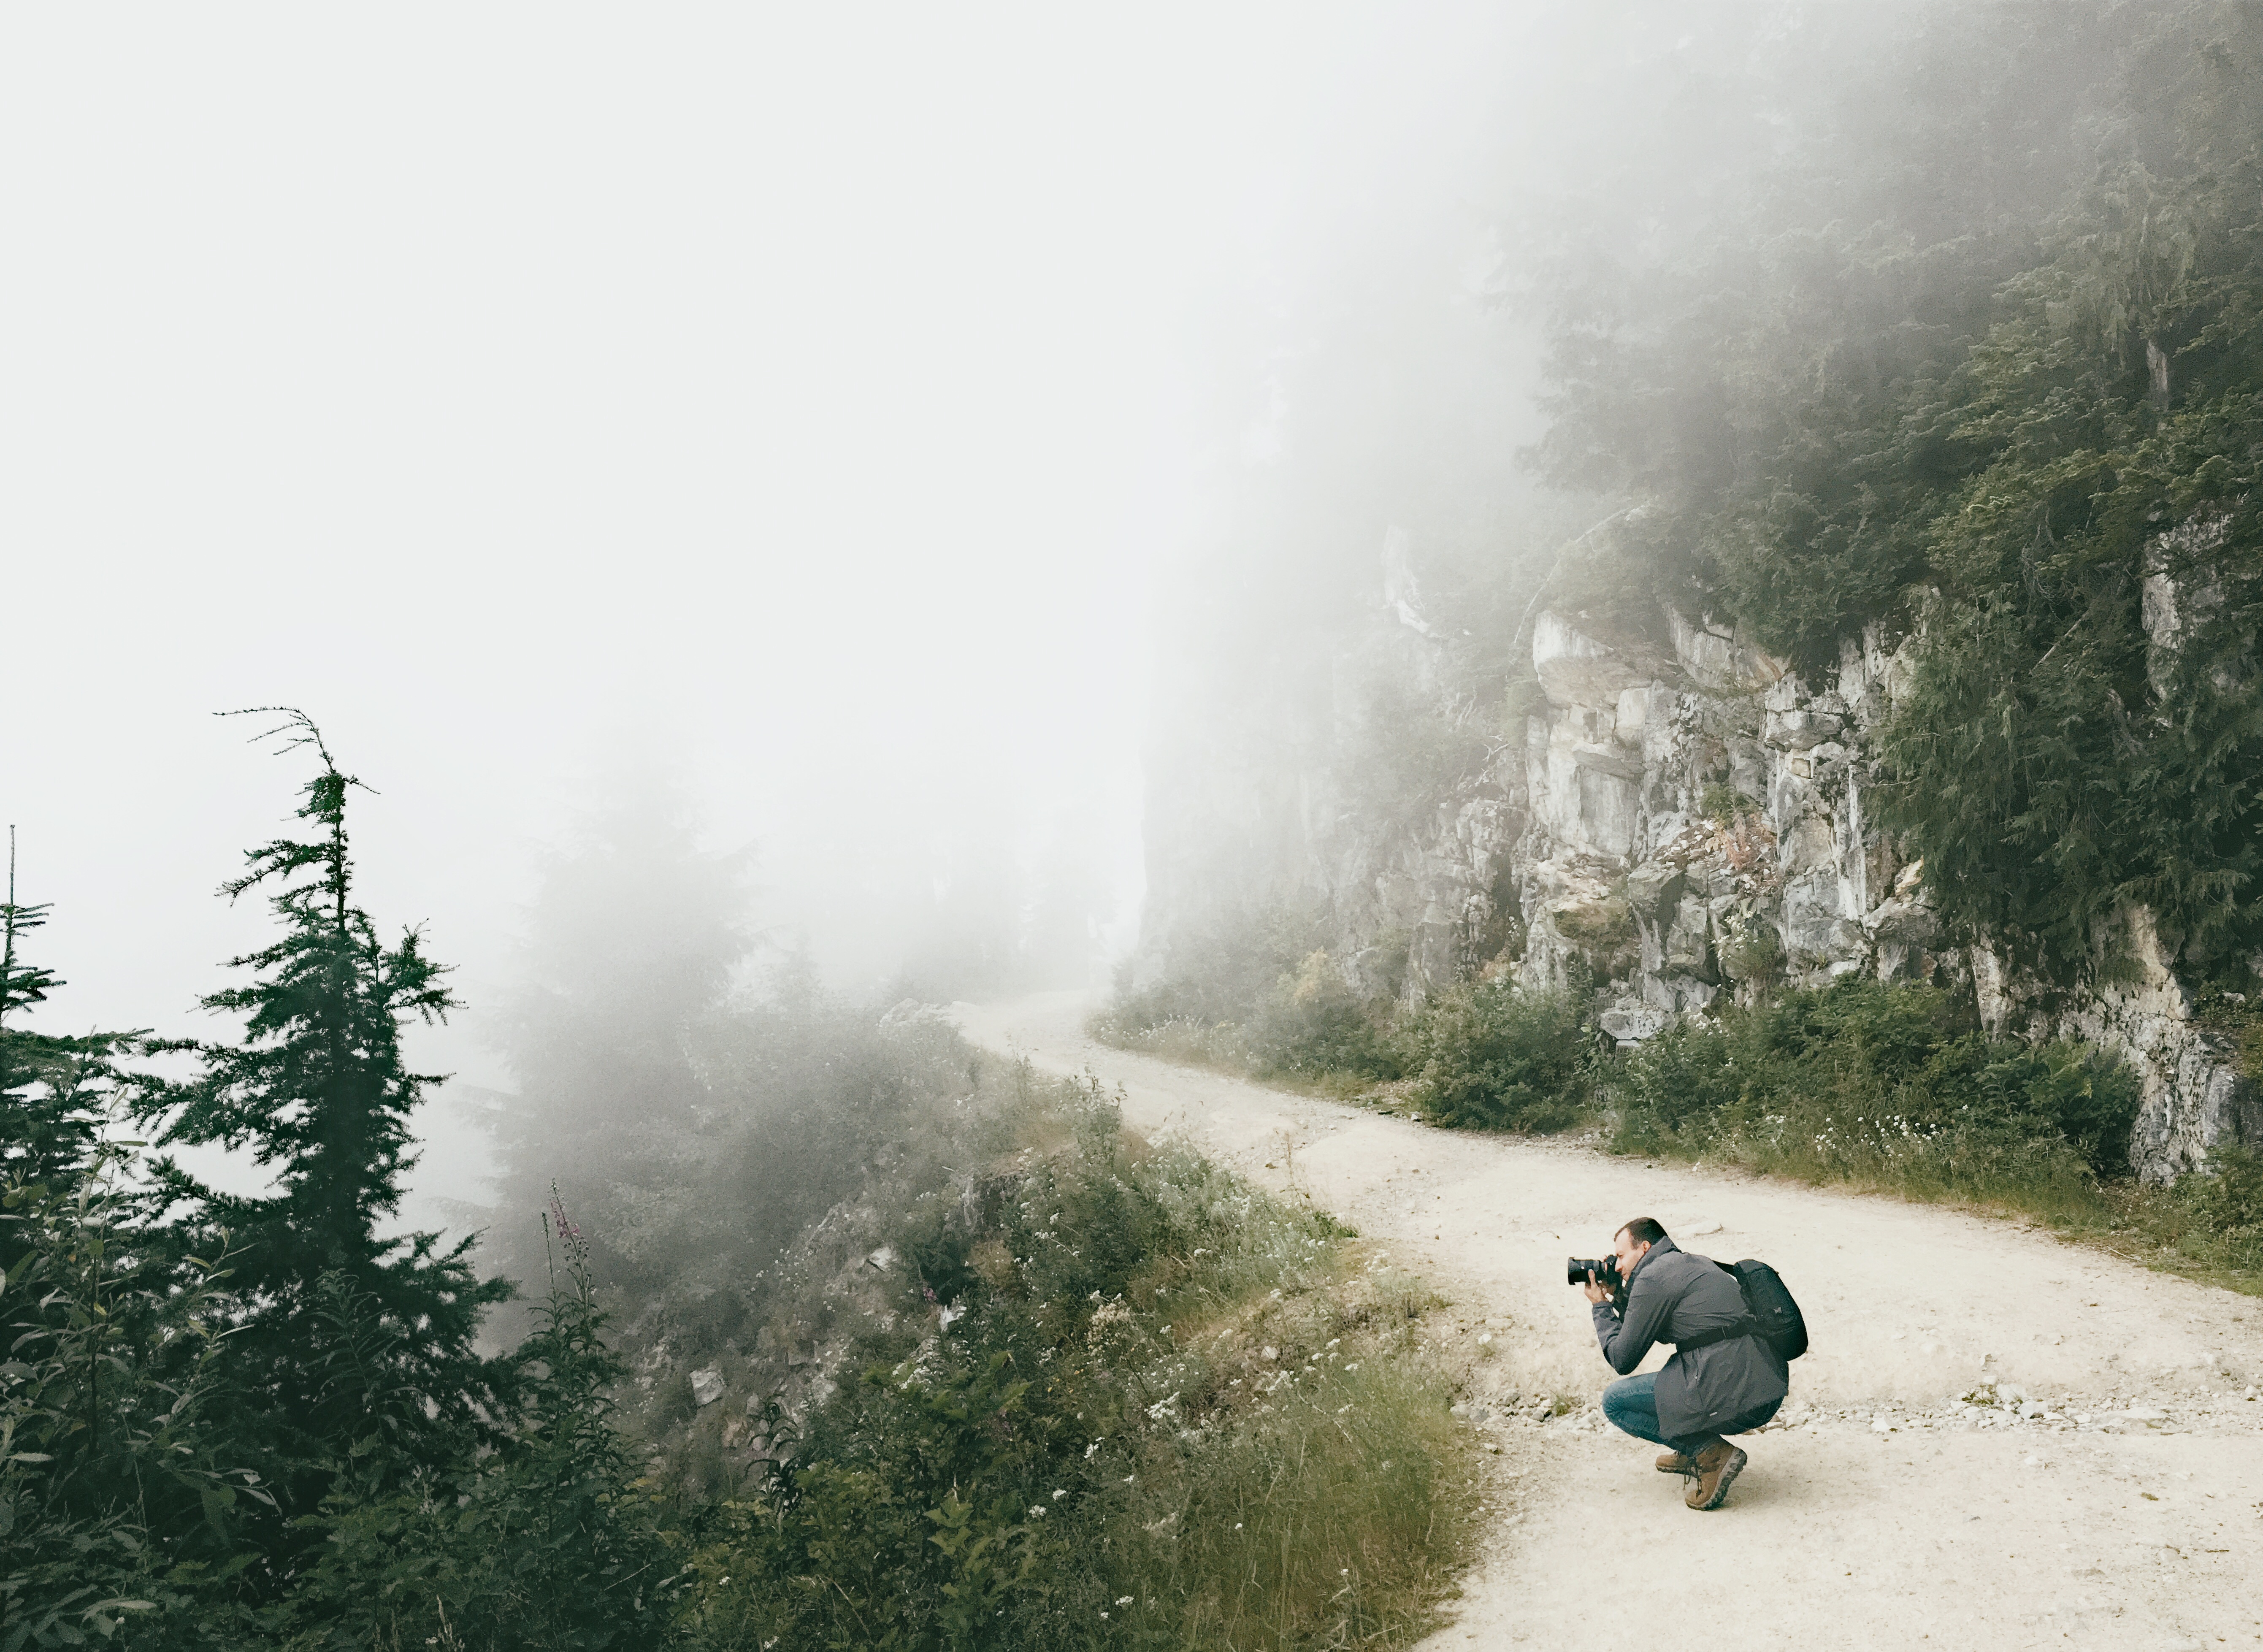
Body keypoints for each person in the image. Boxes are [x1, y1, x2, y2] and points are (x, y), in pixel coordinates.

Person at [1584, 1216, 1787, 1511]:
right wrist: (1619, 1294)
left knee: (1616, 1402)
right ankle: (1691, 1443)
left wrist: (1600, 1307)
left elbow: (1622, 1358)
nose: (1615, 1266)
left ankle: (1707, 1452)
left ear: (1644, 1247)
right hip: (1763, 1387)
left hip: (1735, 1393)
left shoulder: (1653, 1278)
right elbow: (1647, 1322)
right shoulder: (1689, 1262)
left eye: (1620, 1256)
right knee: (1672, 1378)